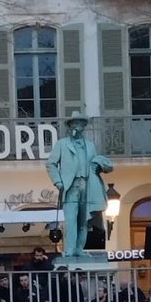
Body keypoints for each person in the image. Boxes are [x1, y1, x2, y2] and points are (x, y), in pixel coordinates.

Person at [44, 110, 113, 259]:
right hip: (71, 186)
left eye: (79, 124)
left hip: (88, 186)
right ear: (70, 127)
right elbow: (50, 164)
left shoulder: (89, 145)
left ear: (83, 126)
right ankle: (69, 249)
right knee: (70, 221)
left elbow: (96, 162)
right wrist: (58, 182)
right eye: (74, 124)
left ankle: (79, 249)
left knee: (84, 221)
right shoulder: (62, 144)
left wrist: (99, 166)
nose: (76, 126)